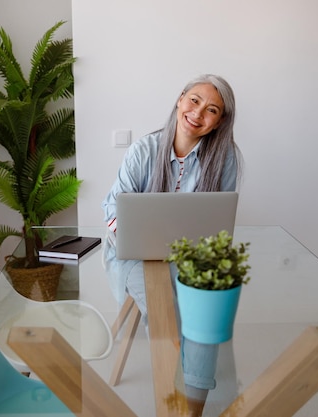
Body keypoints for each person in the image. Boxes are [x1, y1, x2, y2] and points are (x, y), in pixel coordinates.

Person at [101, 74, 242, 406]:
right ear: (180, 100)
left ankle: (191, 403)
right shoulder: (143, 150)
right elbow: (112, 207)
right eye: (194, 100)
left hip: (190, 257)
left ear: (220, 122)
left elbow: (220, 225)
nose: (198, 113)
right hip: (135, 255)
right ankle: (172, 397)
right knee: (168, 313)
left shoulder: (225, 157)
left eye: (212, 110)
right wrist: (139, 236)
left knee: (205, 309)